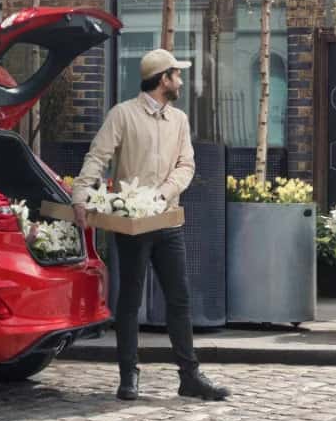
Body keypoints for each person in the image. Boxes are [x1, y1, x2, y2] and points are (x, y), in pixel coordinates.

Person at [71, 48, 231, 402]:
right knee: (129, 300)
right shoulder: (123, 115)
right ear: (163, 80)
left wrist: (164, 193)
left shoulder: (179, 120)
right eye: (177, 74)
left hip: (168, 221)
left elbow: (186, 165)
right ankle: (128, 377)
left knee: (180, 298)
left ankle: (190, 376)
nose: (181, 80)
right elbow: (98, 156)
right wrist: (80, 195)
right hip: (132, 225)